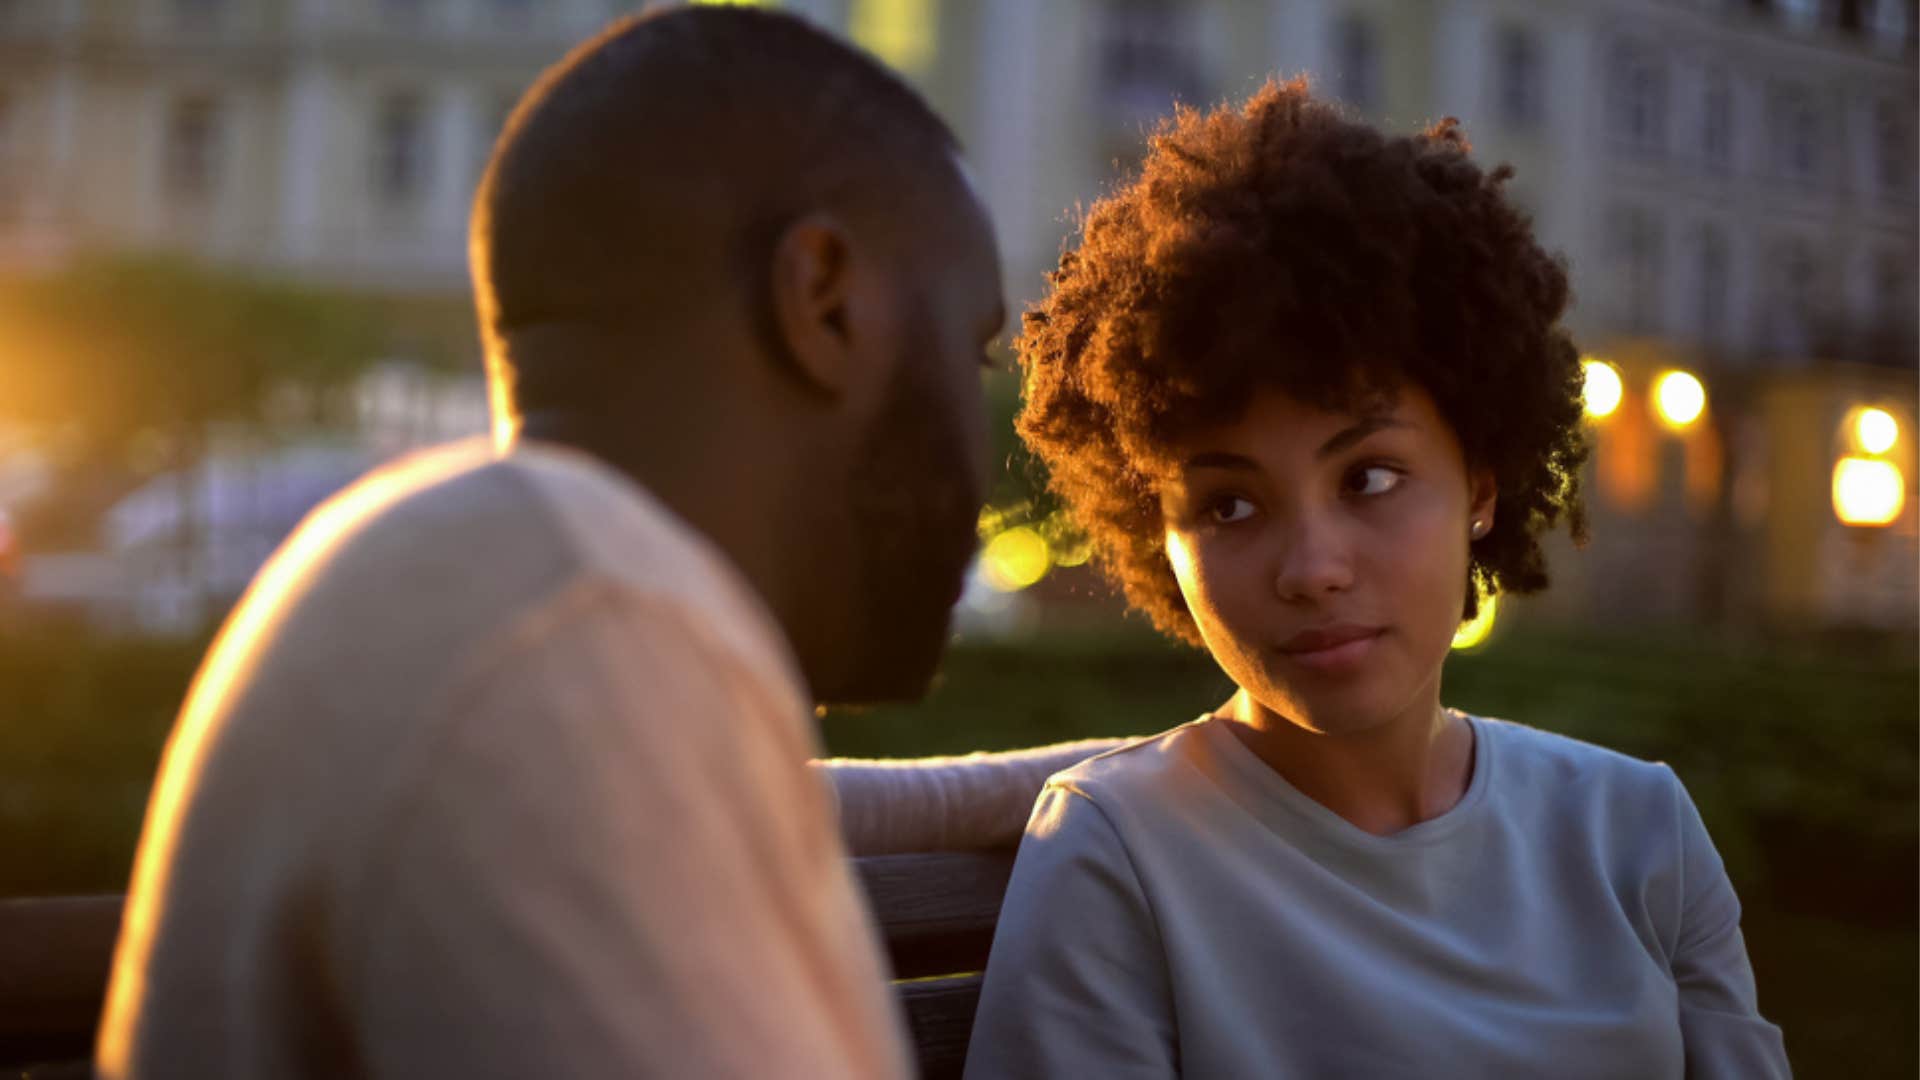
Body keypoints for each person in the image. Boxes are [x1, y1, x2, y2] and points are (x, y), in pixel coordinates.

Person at [97, 9, 1008, 1078]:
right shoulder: (585, 629)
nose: (986, 460)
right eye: (973, 350)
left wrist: (1167, 766)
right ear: (826, 303)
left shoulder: (484, 577)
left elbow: (812, 794)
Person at [961, 80, 1792, 1078]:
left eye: (1371, 478)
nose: (1313, 569)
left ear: (1481, 485)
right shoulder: (1119, 857)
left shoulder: (1636, 831)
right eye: (1228, 504)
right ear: (1157, 536)